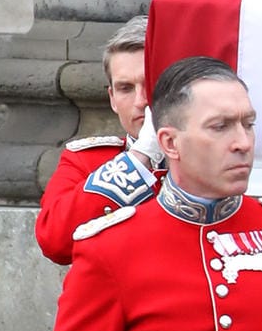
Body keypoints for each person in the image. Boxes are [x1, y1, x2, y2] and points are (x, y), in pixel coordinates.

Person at [53, 56, 262, 331]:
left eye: (248, 124)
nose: (243, 142)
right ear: (169, 142)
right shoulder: (108, 249)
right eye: (220, 126)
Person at [36, 15, 166, 265]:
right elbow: (54, 241)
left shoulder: (217, 156)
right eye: (126, 88)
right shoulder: (86, 161)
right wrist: (139, 160)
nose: (141, 101)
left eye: (151, 84)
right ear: (112, 99)